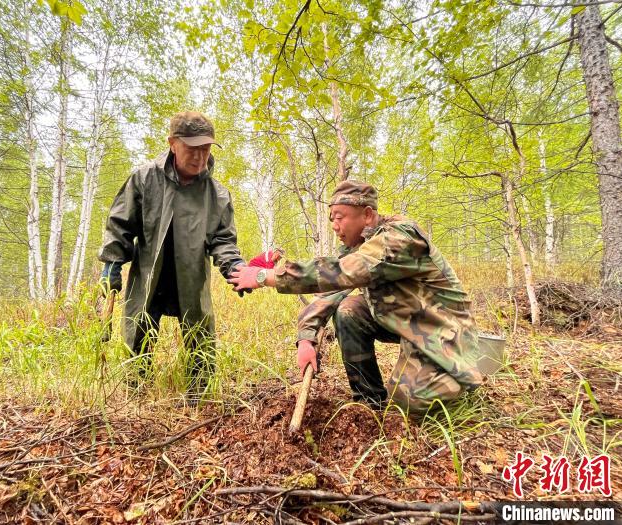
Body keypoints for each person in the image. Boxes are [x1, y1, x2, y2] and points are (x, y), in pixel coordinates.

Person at [228, 180, 486, 416]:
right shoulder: (360, 245)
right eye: (331, 218)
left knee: (410, 405)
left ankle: (458, 376)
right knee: (348, 310)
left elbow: (342, 271)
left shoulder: (400, 237)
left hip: (441, 328)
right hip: (407, 320)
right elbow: (330, 291)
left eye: (340, 217)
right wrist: (306, 338)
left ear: (367, 215)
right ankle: (369, 401)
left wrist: (266, 277)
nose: (334, 226)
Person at [99, 111, 249, 399]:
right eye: (193, 149)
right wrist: (112, 262)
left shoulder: (216, 194)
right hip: (149, 276)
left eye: (205, 149)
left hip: (191, 279)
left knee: (200, 338)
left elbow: (223, 240)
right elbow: (120, 223)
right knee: (139, 333)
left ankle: (199, 398)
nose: (200, 157)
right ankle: (137, 396)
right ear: (172, 143)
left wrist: (234, 267)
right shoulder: (144, 178)